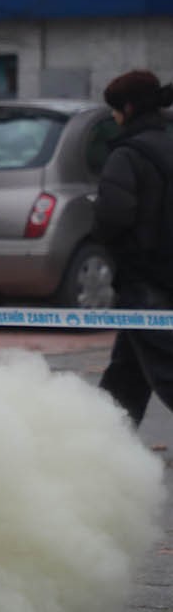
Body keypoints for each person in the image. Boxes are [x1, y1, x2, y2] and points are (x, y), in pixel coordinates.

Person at [93, 70, 173, 426]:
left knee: (166, 368)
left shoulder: (127, 155)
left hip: (145, 280)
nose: (112, 117)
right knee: (127, 376)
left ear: (127, 108)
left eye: (115, 109)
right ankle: (104, 446)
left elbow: (113, 216)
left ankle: (102, 443)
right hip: (161, 278)